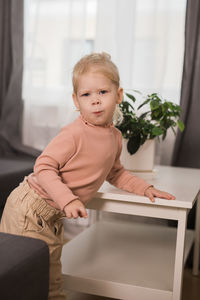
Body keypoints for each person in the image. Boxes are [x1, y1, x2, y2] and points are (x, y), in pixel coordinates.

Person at [0, 52, 175, 300]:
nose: (95, 101)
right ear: (76, 100)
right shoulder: (73, 134)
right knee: (25, 277)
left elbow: (116, 173)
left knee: (51, 279)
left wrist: (144, 188)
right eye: (86, 95)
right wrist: (68, 199)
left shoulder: (114, 137)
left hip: (50, 216)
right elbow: (44, 166)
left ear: (119, 95)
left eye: (102, 92)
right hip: (29, 210)